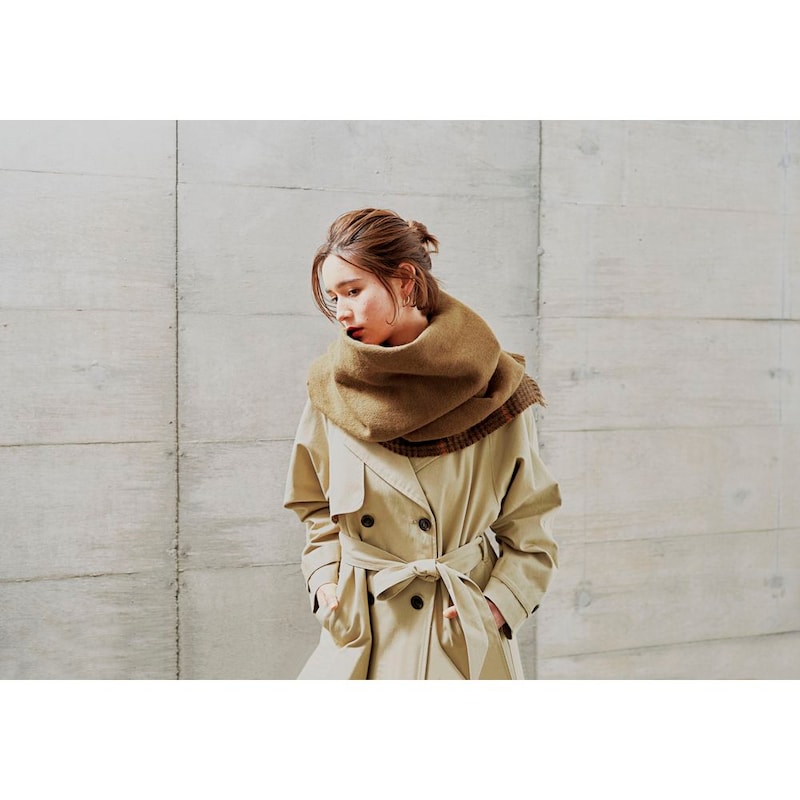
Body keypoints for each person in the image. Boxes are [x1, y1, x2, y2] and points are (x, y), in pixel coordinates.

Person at [283, 208, 561, 679]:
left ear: (406, 281)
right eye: (334, 298)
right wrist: (325, 578)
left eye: (354, 291)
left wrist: (498, 604)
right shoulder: (331, 387)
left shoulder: (493, 390)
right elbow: (314, 505)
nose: (342, 311)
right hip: (361, 632)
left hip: (456, 632)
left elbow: (531, 524)